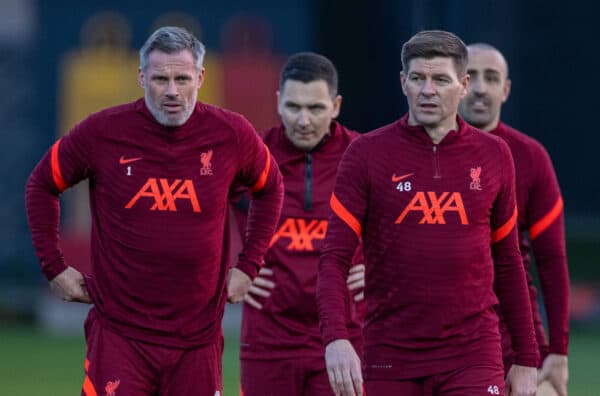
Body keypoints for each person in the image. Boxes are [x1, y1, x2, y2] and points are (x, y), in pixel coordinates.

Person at [25, 26, 284, 396]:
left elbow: (271, 187)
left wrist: (250, 266)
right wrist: (53, 267)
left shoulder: (231, 134)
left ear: (200, 77)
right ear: (142, 76)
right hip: (120, 334)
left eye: (182, 78)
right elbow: (41, 184)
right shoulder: (103, 132)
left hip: (198, 339)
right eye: (161, 79)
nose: (172, 91)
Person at [316, 30, 539, 396]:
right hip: (389, 356)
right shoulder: (366, 155)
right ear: (403, 82)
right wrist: (336, 339)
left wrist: (527, 358)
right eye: (418, 78)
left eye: (440, 80)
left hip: (473, 354)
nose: (428, 90)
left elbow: (510, 262)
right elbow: (333, 259)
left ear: (463, 85)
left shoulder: (495, 155)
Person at [231, 52, 365, 396]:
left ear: (335, 105)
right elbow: (195, 214)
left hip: (347, 338)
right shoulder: (252, 155)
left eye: (316, 108)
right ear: (278, 103)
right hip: (267, 340)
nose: (303, 120)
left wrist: (385, 265)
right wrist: (230, 268)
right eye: (293, 107)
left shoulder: (364, 156)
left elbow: (411, 222)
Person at [458, 43, 569, 396]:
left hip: (513, 332)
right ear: (456, 83)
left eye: (491, 78)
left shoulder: (531, 158)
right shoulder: (423, 152)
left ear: (505, 89)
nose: (480, 87)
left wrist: (559, 350)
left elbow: (551, 261)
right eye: (471, 76)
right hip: (439, 332)